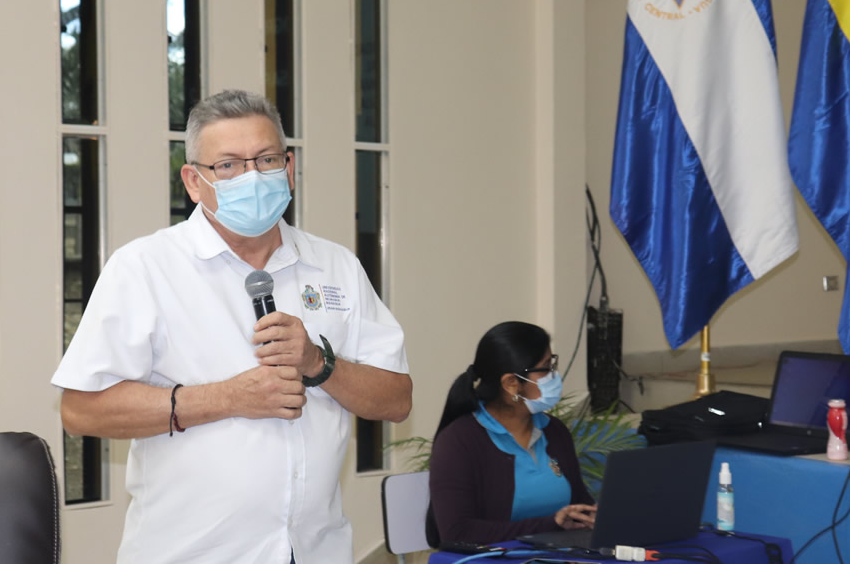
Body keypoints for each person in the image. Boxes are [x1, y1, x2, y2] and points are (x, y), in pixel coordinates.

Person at [52, 90, 412, 564]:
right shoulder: (146, 267)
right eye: (228, 165)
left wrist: (319, 364)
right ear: (194, 180)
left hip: (315, 551)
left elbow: (397, 399)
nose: (252, 177)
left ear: (289, 168)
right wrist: (227, 398)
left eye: (265, 160)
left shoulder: (335, 266)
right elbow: (80, 410)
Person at [427, 321, 596, 546]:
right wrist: (550, 525)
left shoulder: (554, 431)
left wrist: (593, 517)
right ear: (511, 384)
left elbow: (580, 505)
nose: (554, 376)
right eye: (546, 368)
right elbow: (458, 533)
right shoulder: (459, 442)